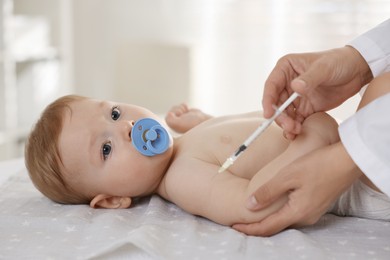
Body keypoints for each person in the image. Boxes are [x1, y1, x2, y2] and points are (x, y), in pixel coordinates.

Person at [26, 92, 346, 228]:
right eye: (106, 149)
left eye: (114, 113)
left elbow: (241, 147)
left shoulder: (184, 146)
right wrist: (312, 143)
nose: (126, 127)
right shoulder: (183, 179)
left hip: (346, 149)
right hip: (352, 183)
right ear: (112, 200)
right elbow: (253, 203)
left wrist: (204, 121)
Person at [233, 18, 390, 236]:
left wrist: (345, 158)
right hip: (362, 153)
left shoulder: (179, 173)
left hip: (374, 174)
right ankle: (207, 122)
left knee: (298, 134)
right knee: (286, 131)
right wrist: (358, 60)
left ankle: (206, 125)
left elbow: (246, 206)